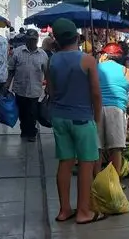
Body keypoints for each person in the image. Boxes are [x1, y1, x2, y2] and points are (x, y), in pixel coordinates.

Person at [45, 18, 105, 224]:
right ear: (76, 37)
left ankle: (64, 210)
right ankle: (83, 212)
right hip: (82, 118)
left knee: (65, 163)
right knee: (86, 165)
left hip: (59, 117)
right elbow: (96, 94)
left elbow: (50, 92)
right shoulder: (87, 60)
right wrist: (96, 119)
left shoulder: (51, 60)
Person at [97, 43, 129, 176]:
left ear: (104, 55)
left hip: (96, 110)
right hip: (117, 111)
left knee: (96, 149)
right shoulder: (126, 72)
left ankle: (96, 181)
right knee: (116, 149)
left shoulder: (95, 68)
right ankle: (114, 183)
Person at [6, 28, 48, 142]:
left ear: (37, 40)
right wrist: (7, 84)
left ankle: (31, 132)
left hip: (35, 89)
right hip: (20, 88)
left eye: (34, 40)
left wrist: (49, 86)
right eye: (29, 40)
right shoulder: (18, 52)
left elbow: (47, 72)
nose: (32, 42)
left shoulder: (43, 55)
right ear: (26, 40)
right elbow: (11, 70)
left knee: (32, 112)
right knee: (22, 112)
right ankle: (24, 130)